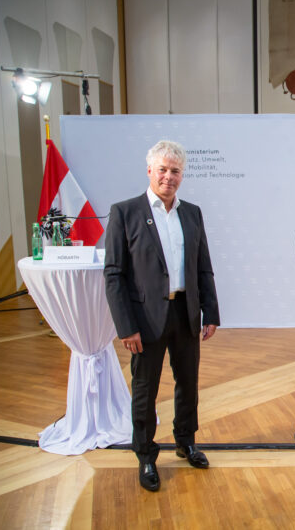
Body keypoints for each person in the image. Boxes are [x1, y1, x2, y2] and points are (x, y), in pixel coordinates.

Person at [104, 140, 220, 492]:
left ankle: (186, 441)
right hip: (145, 320)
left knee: (188, 384)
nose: (169, 177)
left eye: (176, 171)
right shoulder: (125, 212)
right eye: (163, 170)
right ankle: (145, 455)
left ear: (182, 175)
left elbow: (203, 267)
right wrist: (126, 326)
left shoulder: (192, 213)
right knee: (145, 389)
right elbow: (113, 275)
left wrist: (210, 312)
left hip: (185, 312)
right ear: (150, 171)